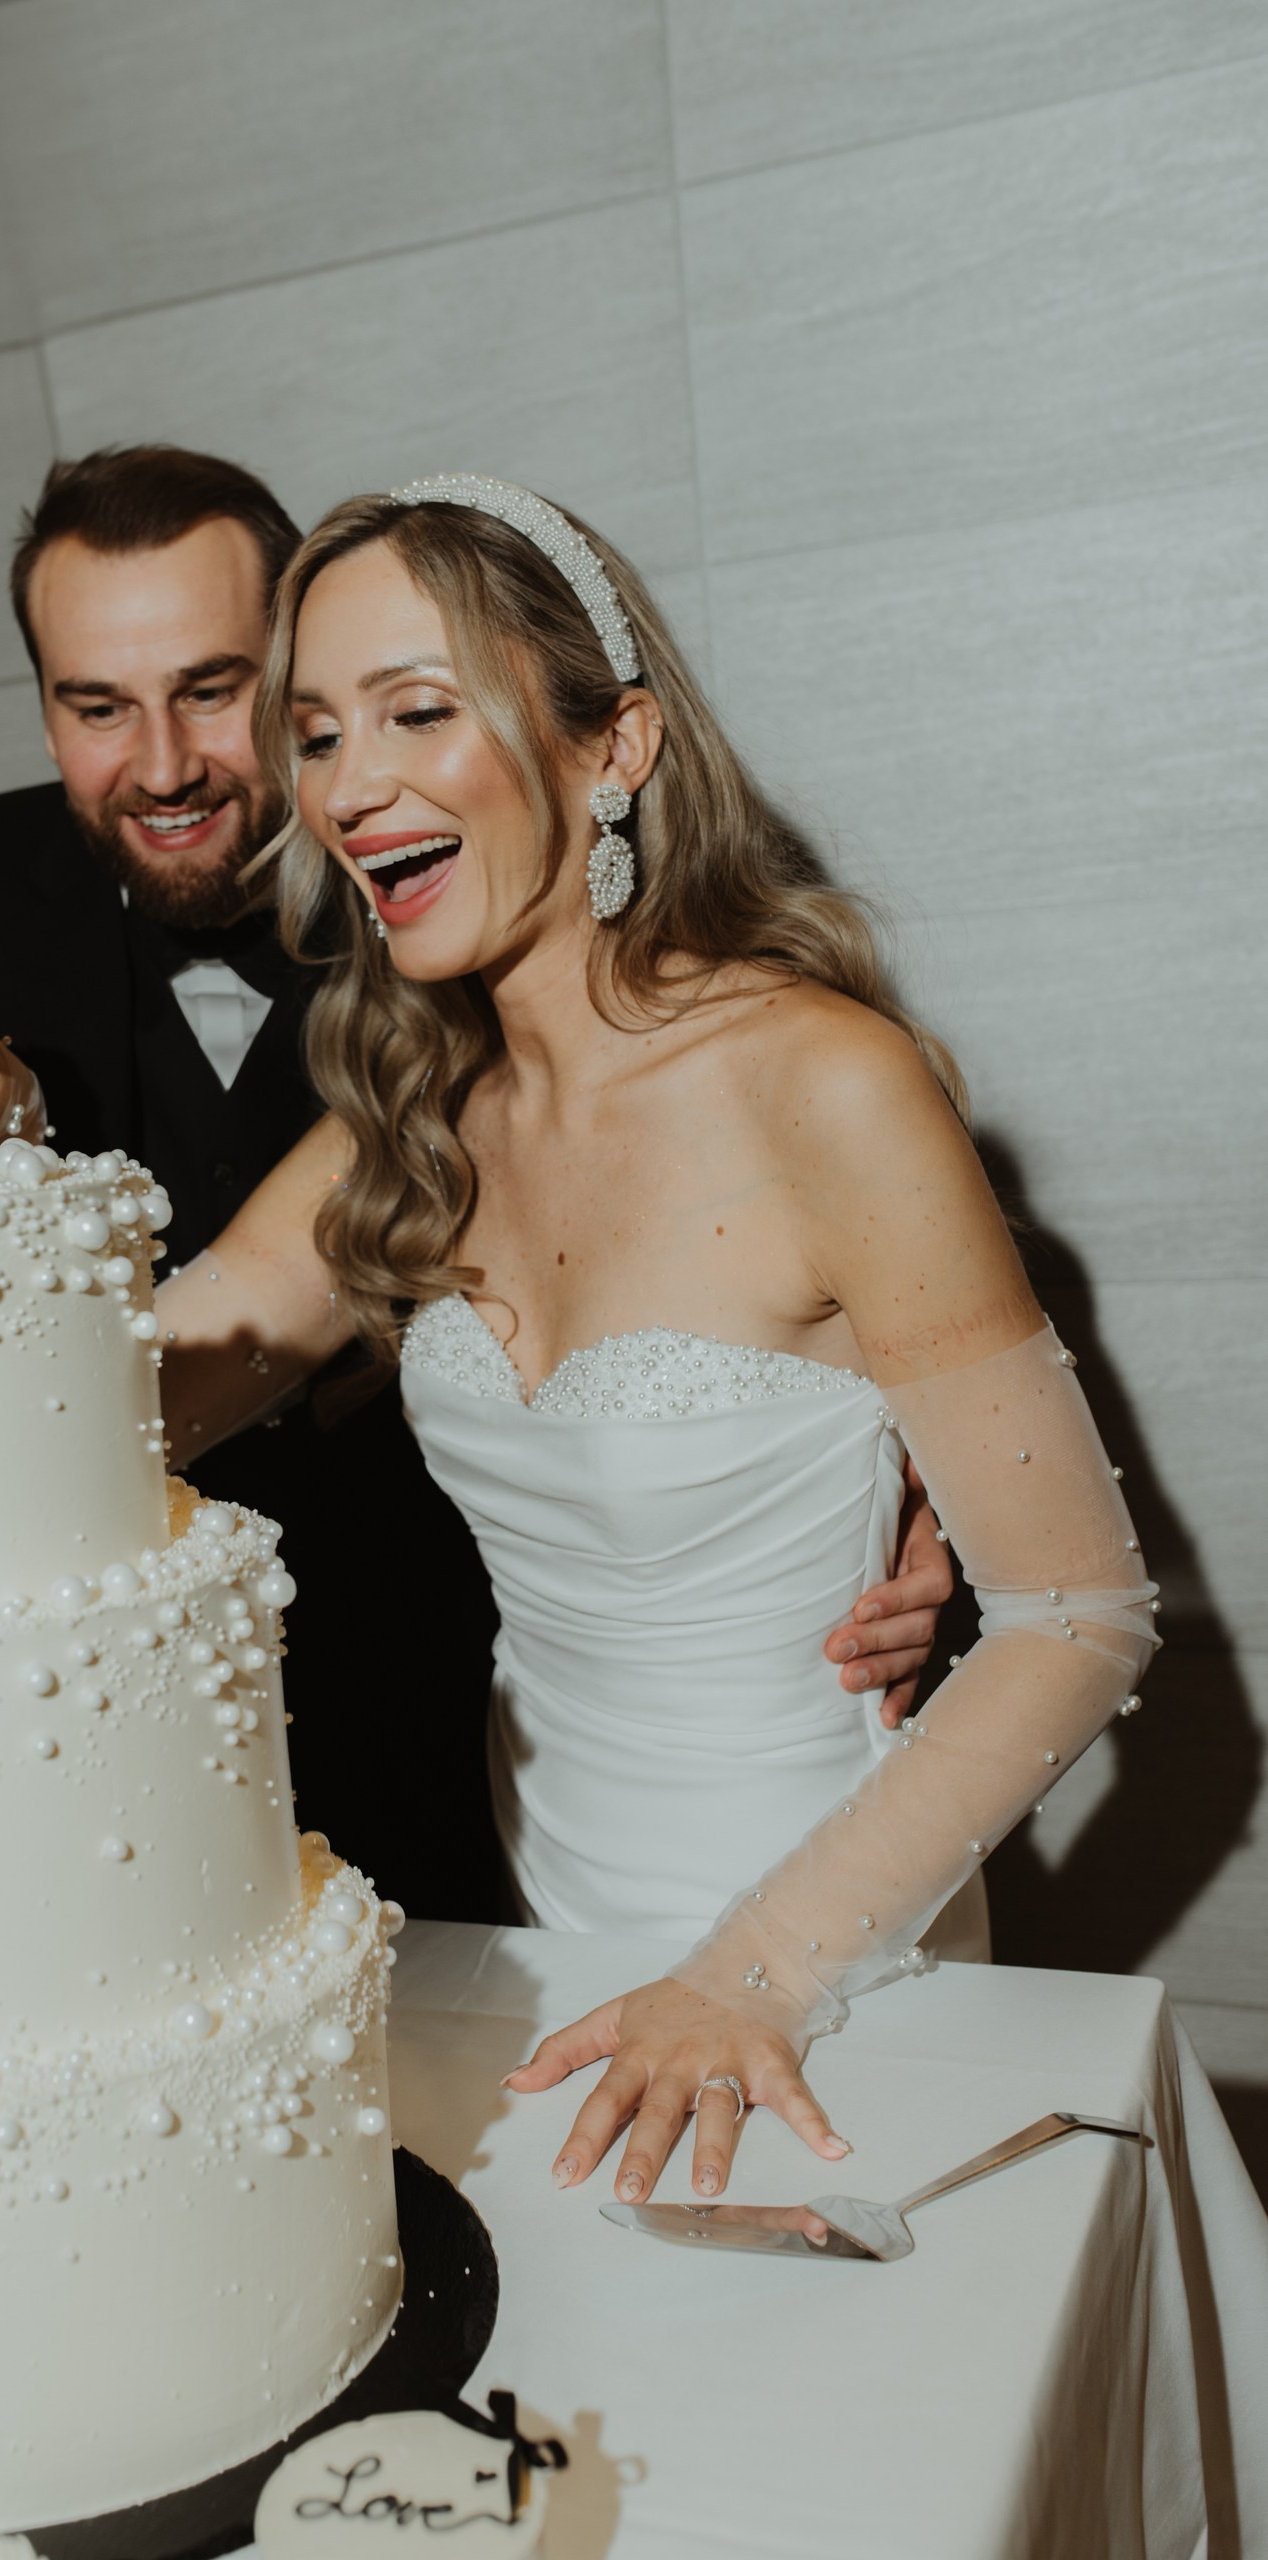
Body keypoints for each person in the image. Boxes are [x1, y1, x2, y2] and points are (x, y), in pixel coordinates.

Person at [126, 474, 1158, 2209]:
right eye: (314, 732)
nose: (347, 783)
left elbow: (1076, 1613)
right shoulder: (406, 1120)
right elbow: (120, 1410)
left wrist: (750, 1976)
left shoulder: (826, 1082)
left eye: (417, 712)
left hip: (825, 1969)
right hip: (537, 1951)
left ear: (616, 746)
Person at [0, 445, 954, 1922]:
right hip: (169, 1808)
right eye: (322, 733)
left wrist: (915, 1474)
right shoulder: (397, 1103)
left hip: (525, 1776)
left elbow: (1031, 1542)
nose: (175, 762)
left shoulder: (761, 1053)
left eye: (223, 692)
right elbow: (58, 1409)